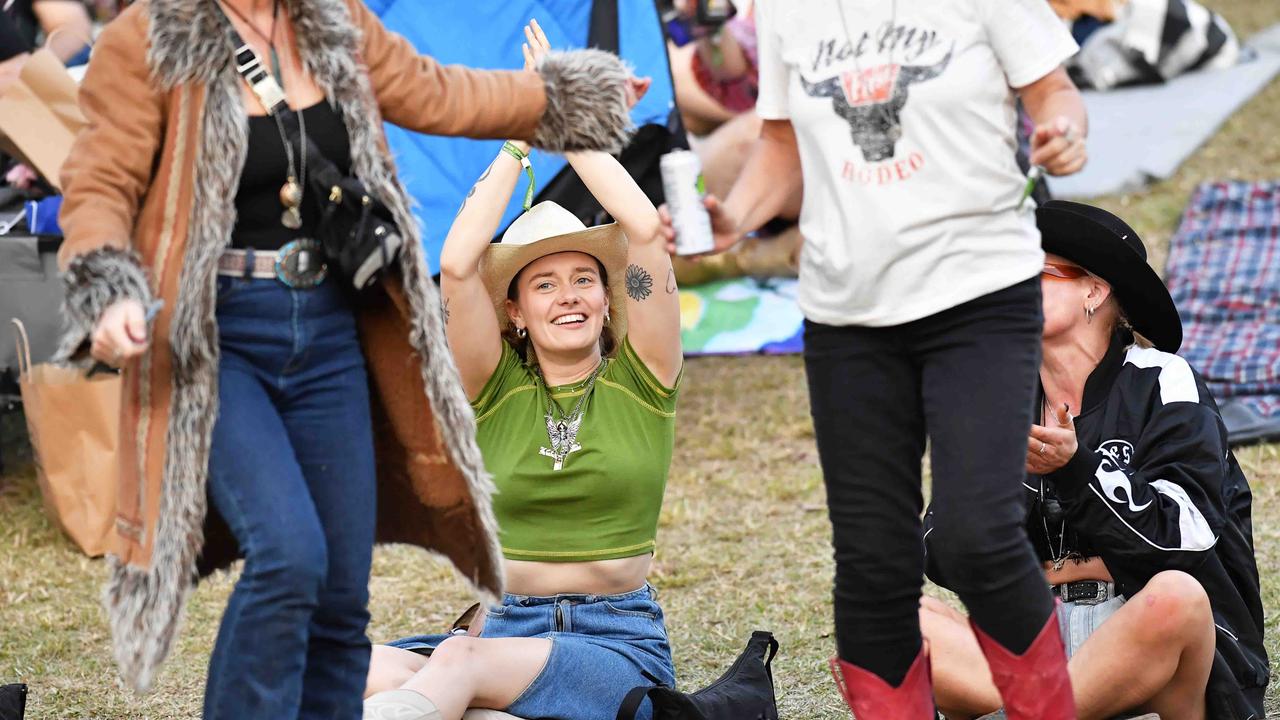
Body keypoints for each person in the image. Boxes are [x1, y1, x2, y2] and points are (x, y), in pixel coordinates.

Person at [55, 0, 632, 716]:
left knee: (337, 597)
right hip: (217, 334)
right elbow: (99, 181)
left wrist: (559, 94)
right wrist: (108, 284)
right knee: (290, 556)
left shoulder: (334, 20)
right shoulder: (150, 35)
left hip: (331, 327)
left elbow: (440, 92)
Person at [660, 1, 1090, 717]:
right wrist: (734, 217)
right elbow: (781, 140)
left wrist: (1065, 131)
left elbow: (1053, 91)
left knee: (978, 537)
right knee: (873, 563)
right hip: (847, 315)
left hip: (978, 293)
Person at [361, 20, 682, 720]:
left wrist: (563, 120)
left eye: (583, 278)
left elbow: (646, 232)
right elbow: (455, 263)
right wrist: (517, 135)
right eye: (544, 284)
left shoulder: (644, 377)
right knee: (339, 666)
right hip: (503, 629)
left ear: (607, 299)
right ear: (515, 312)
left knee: (458, 665)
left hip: (614, 642)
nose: (568, 295)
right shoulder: (493, 387)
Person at [921, 201, 1269, 720]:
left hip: (1146, 639)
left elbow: (1186, 539)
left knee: (1175, 597)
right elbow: (941, 554)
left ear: (1094, 289)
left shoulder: (1163, 381)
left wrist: (1076, 469)